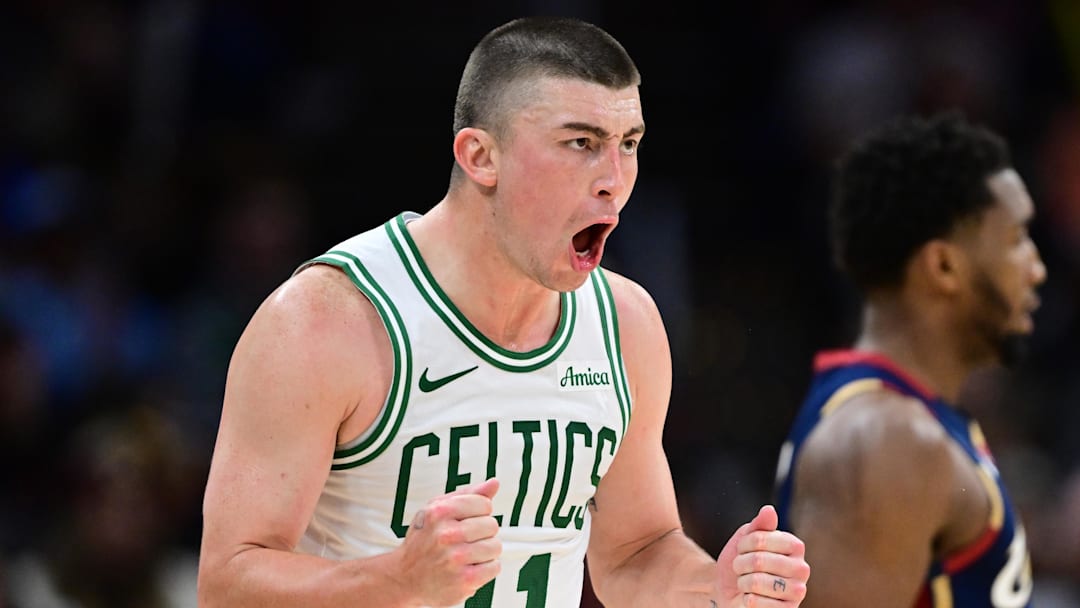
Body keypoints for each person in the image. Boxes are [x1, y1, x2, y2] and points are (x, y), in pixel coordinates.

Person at [197, 15, 810, 608]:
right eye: (581, 143)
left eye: (628, 144)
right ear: (480, 156)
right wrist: (397, 580)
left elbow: (635, 553)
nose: (614, 179)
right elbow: (226, 585)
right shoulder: (328, 320)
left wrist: (715, 587)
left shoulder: (625, 324)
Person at [773, 112, 1046, 607]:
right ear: (943, 265)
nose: (1037, 268)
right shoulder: (887, 440)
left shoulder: (904, 420)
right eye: (1016, 240)